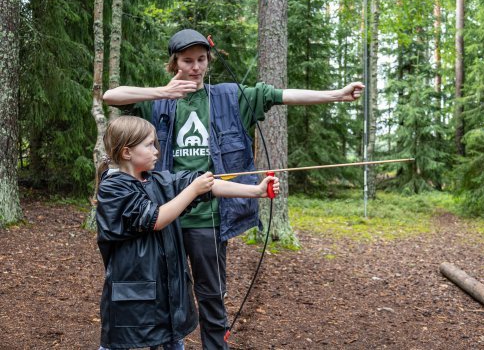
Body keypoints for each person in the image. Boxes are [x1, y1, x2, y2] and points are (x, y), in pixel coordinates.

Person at [103, 28, 364, 349]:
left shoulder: (228, 96)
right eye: (187, 61)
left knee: (211, 296)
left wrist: (336, 94)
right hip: (164, 219)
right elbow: (110, 96)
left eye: (201, 60)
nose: (196, 67)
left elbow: (279, 95)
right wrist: (161, 92)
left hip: (207, 219)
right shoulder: (156, 102)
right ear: (174, 64)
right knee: (162, 294)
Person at [95, 116, 279, 350]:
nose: (156, 151)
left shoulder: (157, 180)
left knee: (172, 339)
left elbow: (207, 184)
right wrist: (192, 190)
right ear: (127, 152)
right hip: (133, 292)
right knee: (117, 344)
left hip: (168, 290)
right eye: (149, 145)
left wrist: (257, 191)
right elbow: (155, 219)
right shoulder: (113, 187)